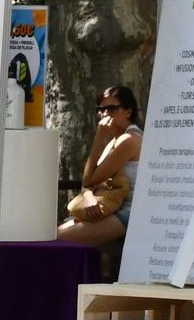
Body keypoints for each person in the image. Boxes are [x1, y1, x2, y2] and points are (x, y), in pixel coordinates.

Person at [57, 85, 145, 247]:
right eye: (101, 109)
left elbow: (90, 179)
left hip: (129, 212)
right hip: (108, 207)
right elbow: (88, 183)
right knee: (51, 235)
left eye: (112, 109)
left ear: (128, 111)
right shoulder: (114, 141)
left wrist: (99, 137)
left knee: (59, 239)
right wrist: (89, 198)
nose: (105, 114)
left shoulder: (129, 140)